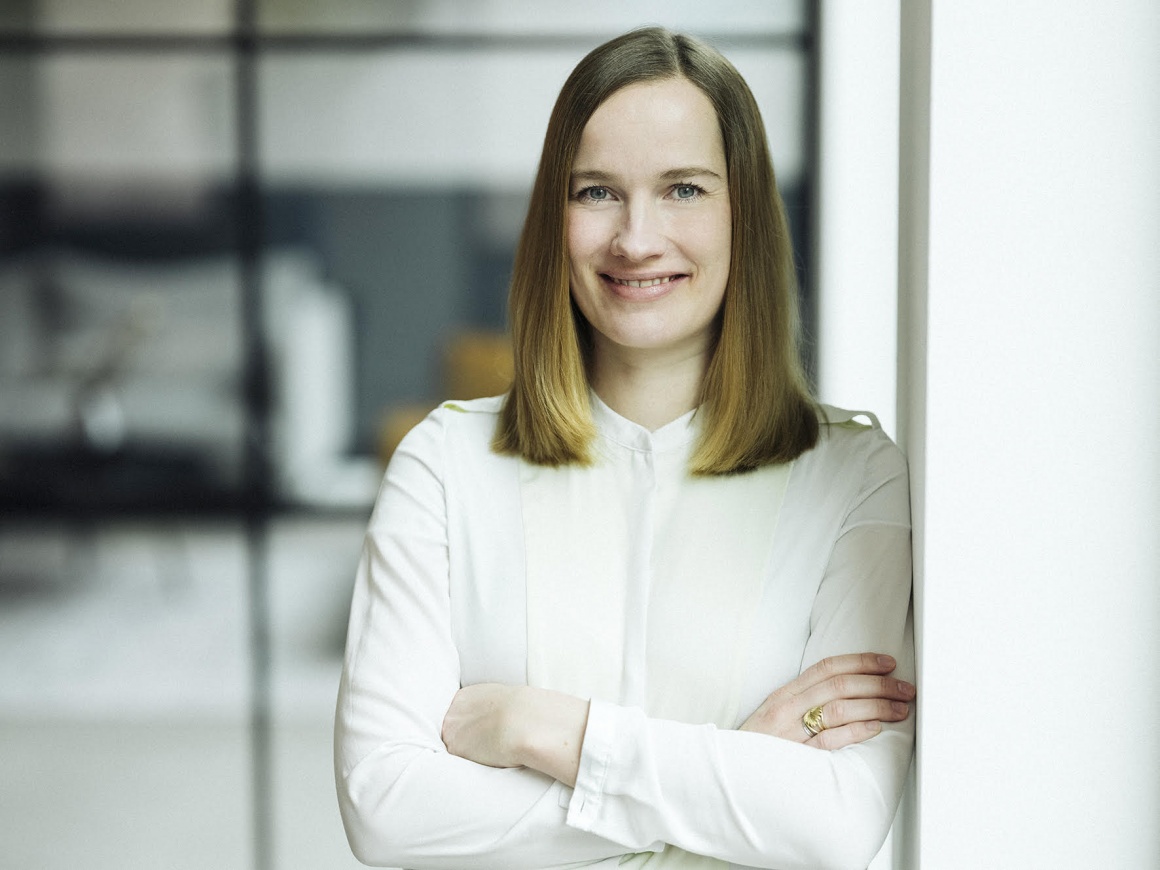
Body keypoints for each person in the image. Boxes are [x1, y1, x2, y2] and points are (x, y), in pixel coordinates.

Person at [335, 26, 915, 870]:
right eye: (597, 192)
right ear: (553, 217)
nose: (636, 238)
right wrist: (730, 762)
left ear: (743, 214)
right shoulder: (445, 464)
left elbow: (836, 824)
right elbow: (385, 810)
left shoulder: (854, 475)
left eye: (683, 189)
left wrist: (546, 730)